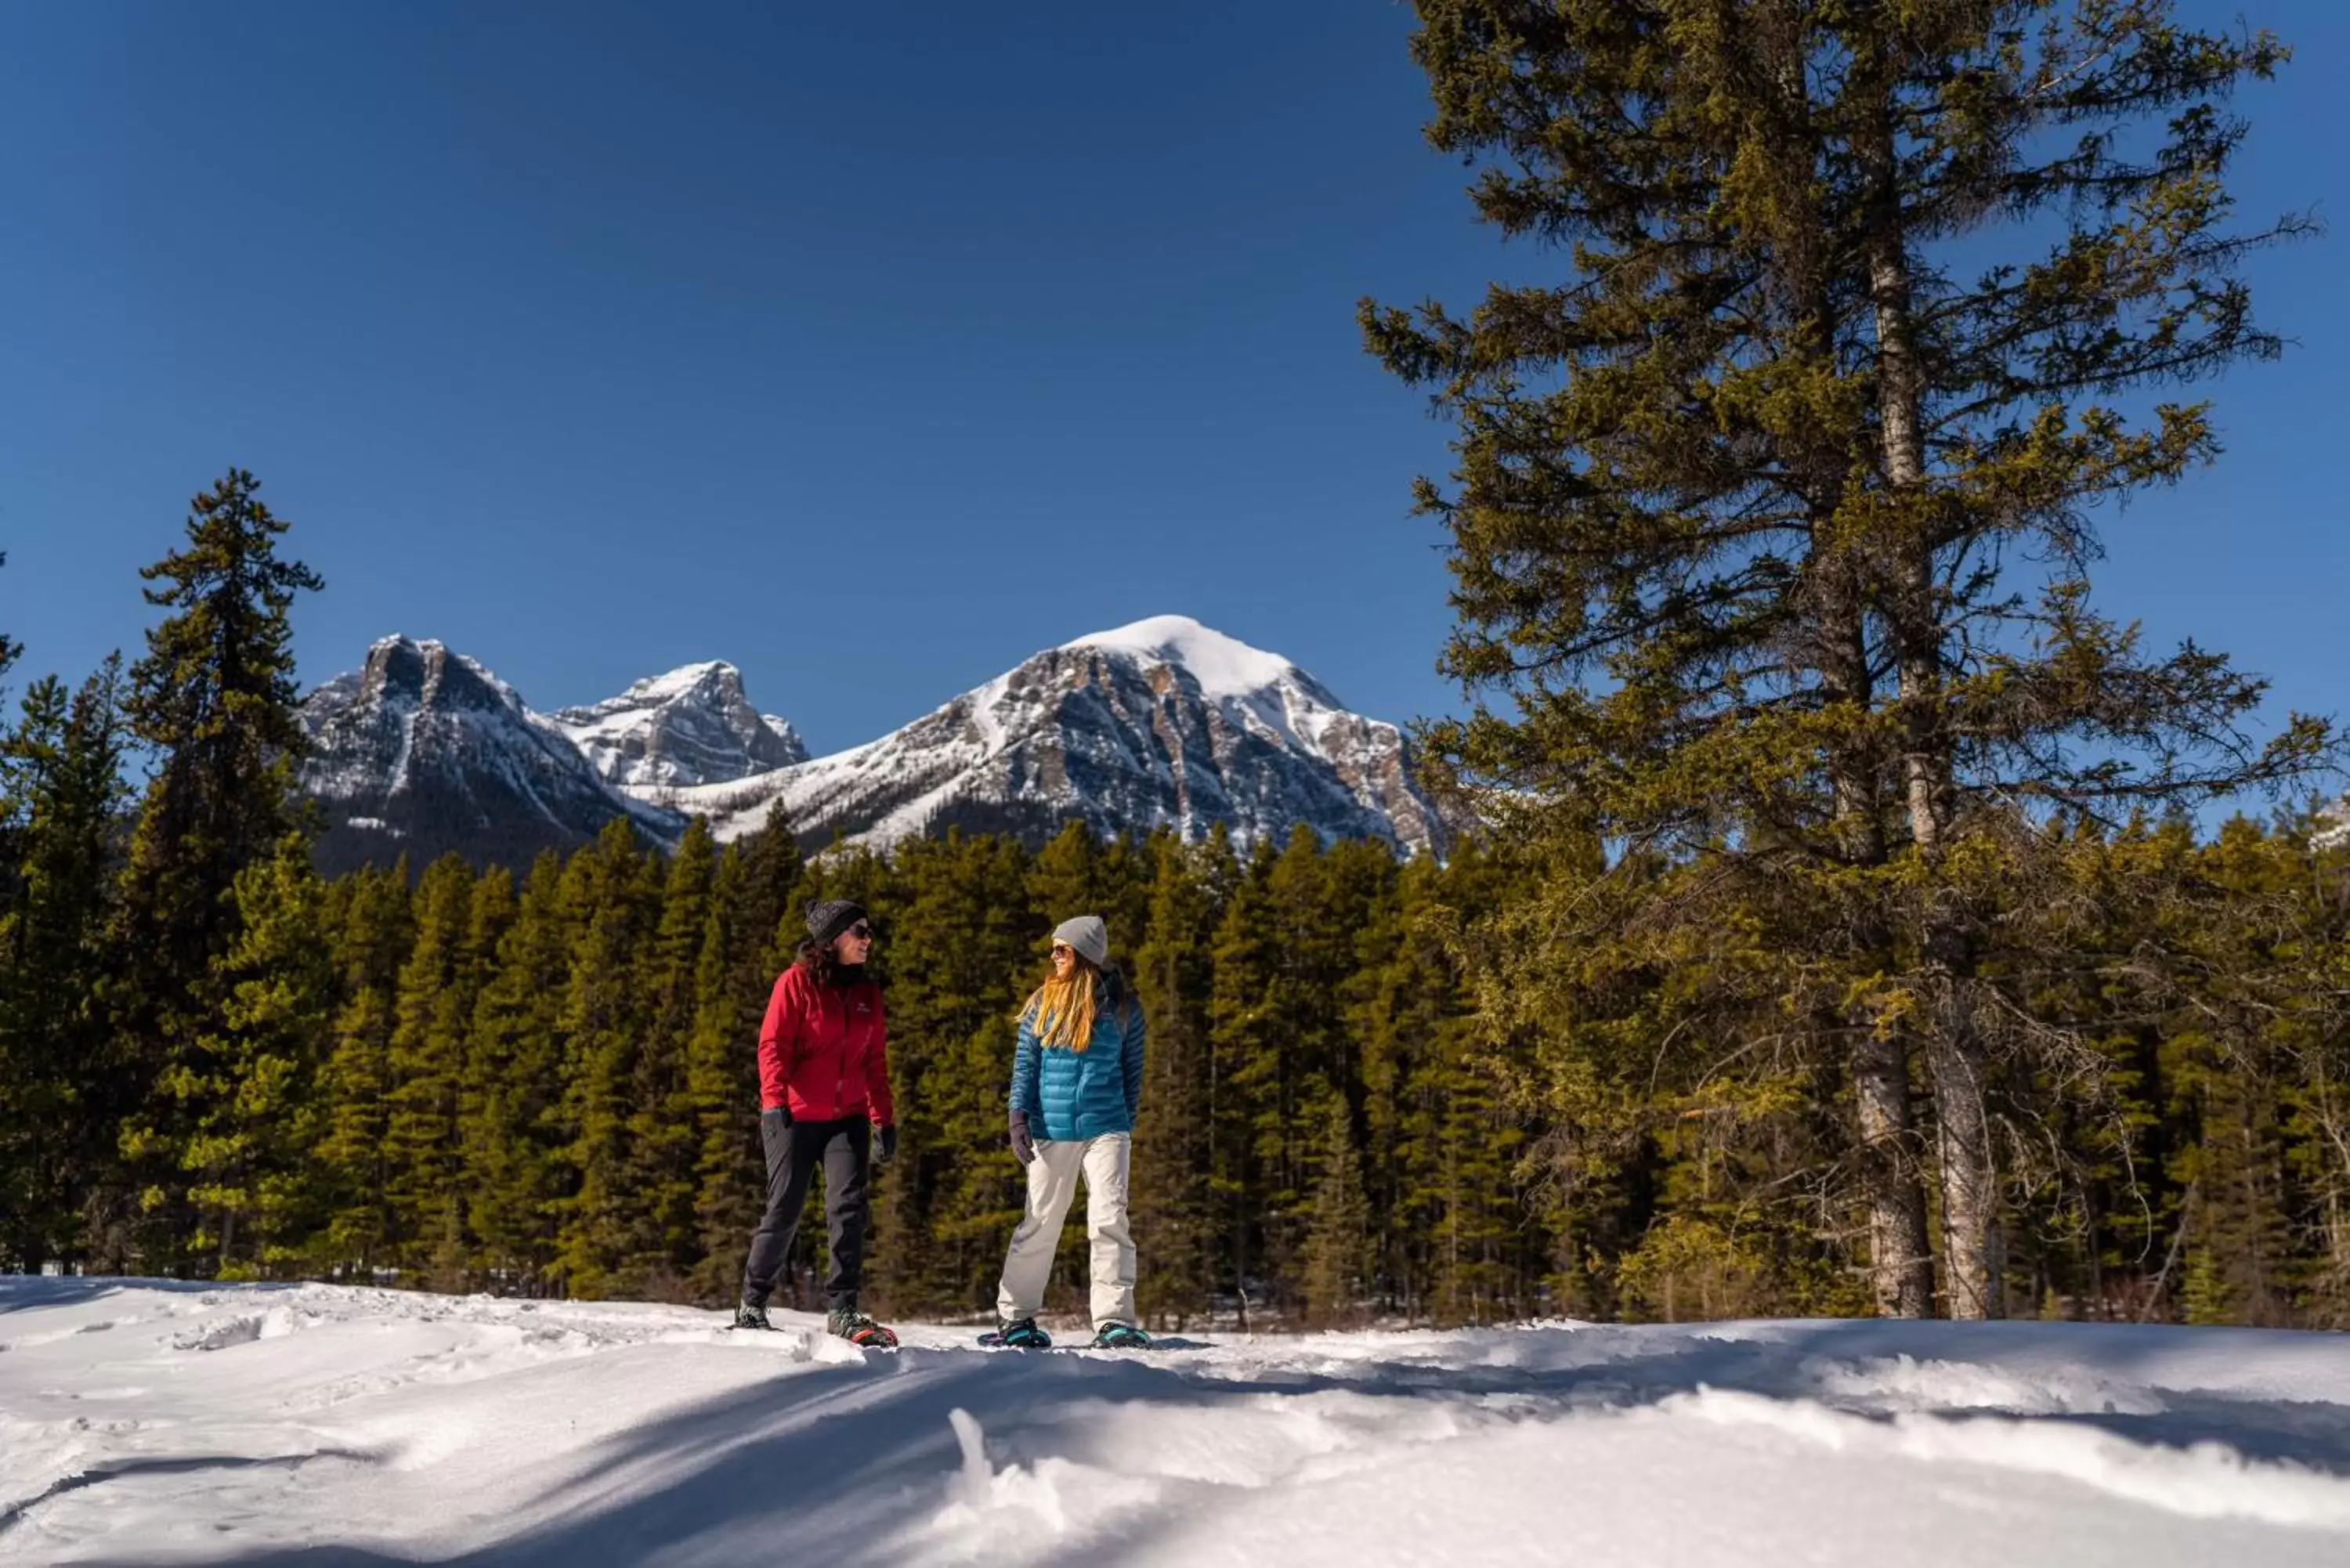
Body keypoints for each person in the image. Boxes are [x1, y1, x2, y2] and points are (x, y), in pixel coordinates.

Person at [735, 898, 899, 1347]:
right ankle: (752, 1304)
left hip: (846, 1118)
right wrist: (774, 1105)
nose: (868, 939)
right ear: (832, 940)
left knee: (848, 1210)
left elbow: (875, 1063)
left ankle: (843, 1308)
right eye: (859, 931)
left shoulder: (868, 994)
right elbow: (772, 1046)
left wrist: (882, 1118)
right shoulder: (796, 983)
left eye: (868, 931)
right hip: (794, 1114)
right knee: (785, 1206)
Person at [992, 914, 1151, 1350]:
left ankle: (1115, 1321)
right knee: (1041, 1220)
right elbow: (1026, 1065)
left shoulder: (1123, 1007)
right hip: (1050, 1128)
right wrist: (1018, 1117)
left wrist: (1123, 1123)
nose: (1053, 956)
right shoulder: (1044, 1003)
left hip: (1107, 1129)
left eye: (1061, 949)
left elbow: (1132, 1071)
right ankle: (1015, 1317)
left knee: (1110, 1219)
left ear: (1083, 955)